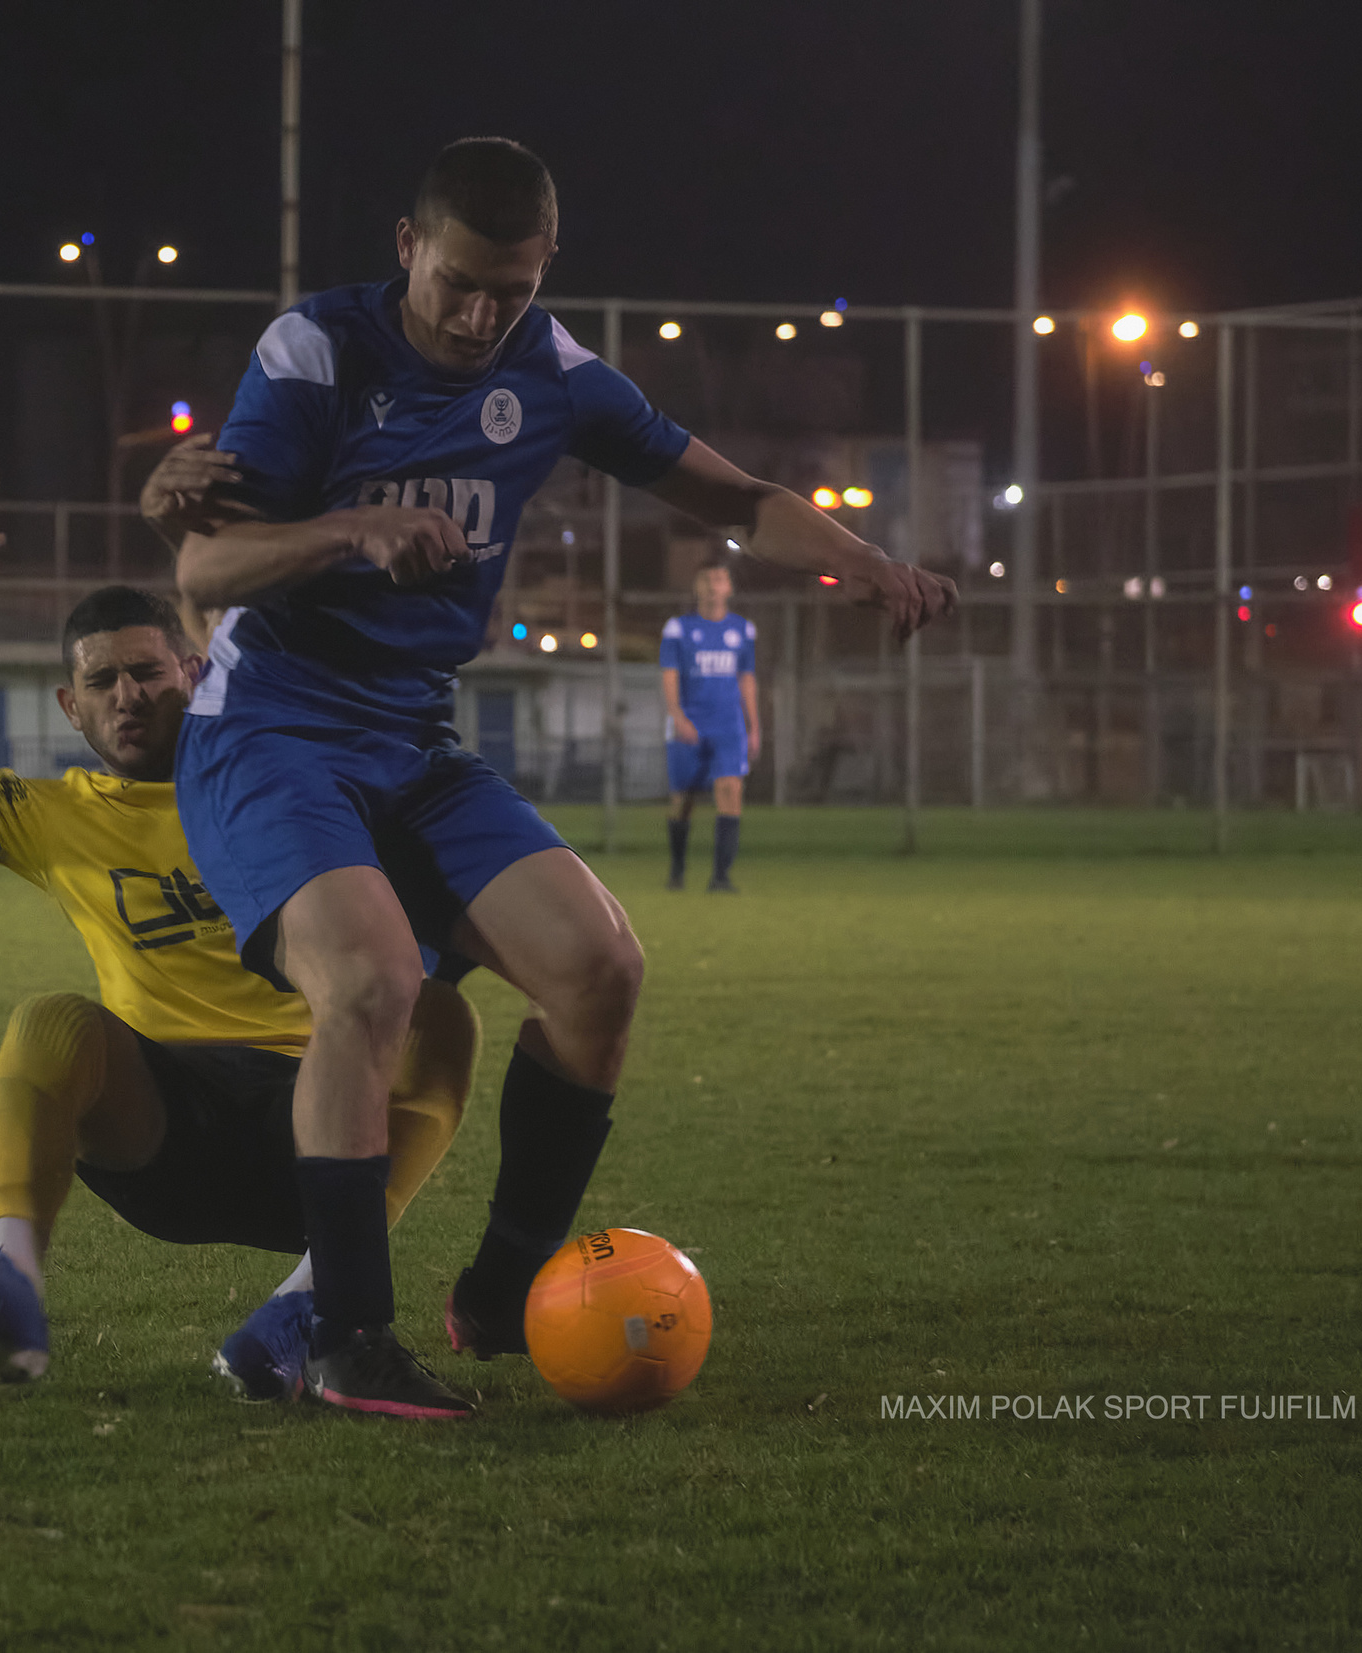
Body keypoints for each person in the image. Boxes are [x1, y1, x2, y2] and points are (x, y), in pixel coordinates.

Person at [170, 137, 957, 1420]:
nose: (483, 317)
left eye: (514, 291)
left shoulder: (553, 371)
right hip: (269, 729)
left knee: (602, 973)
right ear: (409, 247)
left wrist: (860, 562)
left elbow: (737, 497)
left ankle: (500, 1294)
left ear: (547, 272)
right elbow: (203, 573)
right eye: (461, 284)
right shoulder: (315, 352)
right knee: (369, 984)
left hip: (412, 738)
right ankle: (346, 1338)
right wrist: (350, 529)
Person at [0, 472, 480, 1402]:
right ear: (69, 706)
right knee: (53, 1019)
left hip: (322, 1127)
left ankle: (303, 1307)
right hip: (166, 1127)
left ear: (193, 674)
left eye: (147, 672)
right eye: (101, 681)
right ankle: (13, 1288)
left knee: (446, 1017)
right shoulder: (54, 815)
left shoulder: (292, 784)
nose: (127, 696)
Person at [660, 559, 761, 893]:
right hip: (690, 723)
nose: (713, 585)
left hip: (728, 726)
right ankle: (677, 870)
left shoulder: (743, 630)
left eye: (719, 579)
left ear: (729, 587)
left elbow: (747, 679)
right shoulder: (678, 629)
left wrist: (754, 725)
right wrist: (677, 716)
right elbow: (670, 676)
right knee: (684, 799)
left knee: (731, 792)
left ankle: (721, 877)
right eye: (706, 579)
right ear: (697, 587)